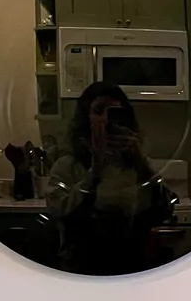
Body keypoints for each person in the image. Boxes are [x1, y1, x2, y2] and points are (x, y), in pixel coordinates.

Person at [45, 83, 178, 274]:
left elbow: (164, 209)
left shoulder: (138, 165)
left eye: (115, 112)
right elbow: (60, 213)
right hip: (82, 270)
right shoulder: (67, 166)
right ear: (85, 118)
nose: (106, 119)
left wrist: (140, 162)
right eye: (98, 111)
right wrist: (95, 171)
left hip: (133, 268)